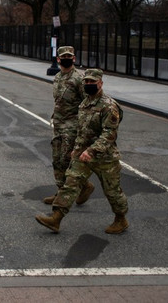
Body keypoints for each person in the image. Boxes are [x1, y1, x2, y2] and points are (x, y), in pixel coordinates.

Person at [35, 68, 129, 234]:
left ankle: (121, 219)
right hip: (83, 155)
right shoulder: (84, 104)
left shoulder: (109, 106)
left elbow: (109, 134)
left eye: (92, 82)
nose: (89, 84)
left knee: (112, 191)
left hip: (105, 158)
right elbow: (82, 131)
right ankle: (56, 218)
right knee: (70, 184)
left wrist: (91, 151)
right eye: (86, 81)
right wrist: (77, 150)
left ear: (100, 83)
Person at [44, 46, 94, 206]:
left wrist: (84, 129)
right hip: (58, 124)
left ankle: (84, 186)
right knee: (57, 160)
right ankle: (60, 191)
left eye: (69, 56)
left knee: (67, 160)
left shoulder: (79, 79)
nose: (66, 59)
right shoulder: (58, 77)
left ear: (74, 59)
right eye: (63, 56)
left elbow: (87, 104)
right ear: (58, 59)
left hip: (72, 126)